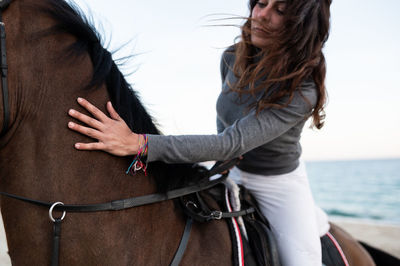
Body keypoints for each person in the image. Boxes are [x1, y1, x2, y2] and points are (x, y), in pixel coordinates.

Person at [67, 0, 332, 265]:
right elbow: (230, 127)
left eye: (280, 11)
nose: (262, 15)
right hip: (230, 168)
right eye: (261, 3)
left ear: (301, 27)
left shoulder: (304, 90)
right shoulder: (231, 57)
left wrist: (139, 143)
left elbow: (231, 141)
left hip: (277, 183)